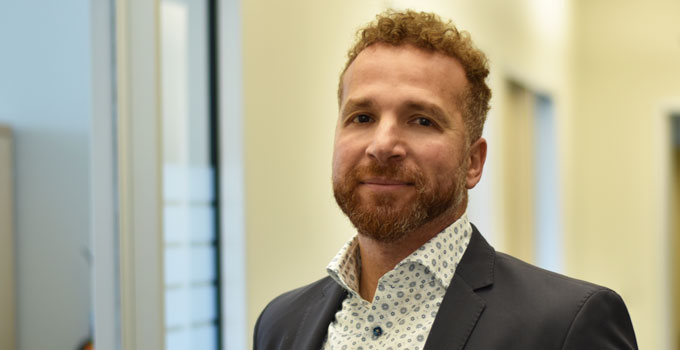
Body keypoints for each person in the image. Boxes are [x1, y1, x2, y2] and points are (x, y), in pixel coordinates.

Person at [254, 9, 637, 350]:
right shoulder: (280, 324)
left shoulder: (567, 326)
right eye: (363, 117)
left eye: (422, 120)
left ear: (473, 161)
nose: (383, 145)